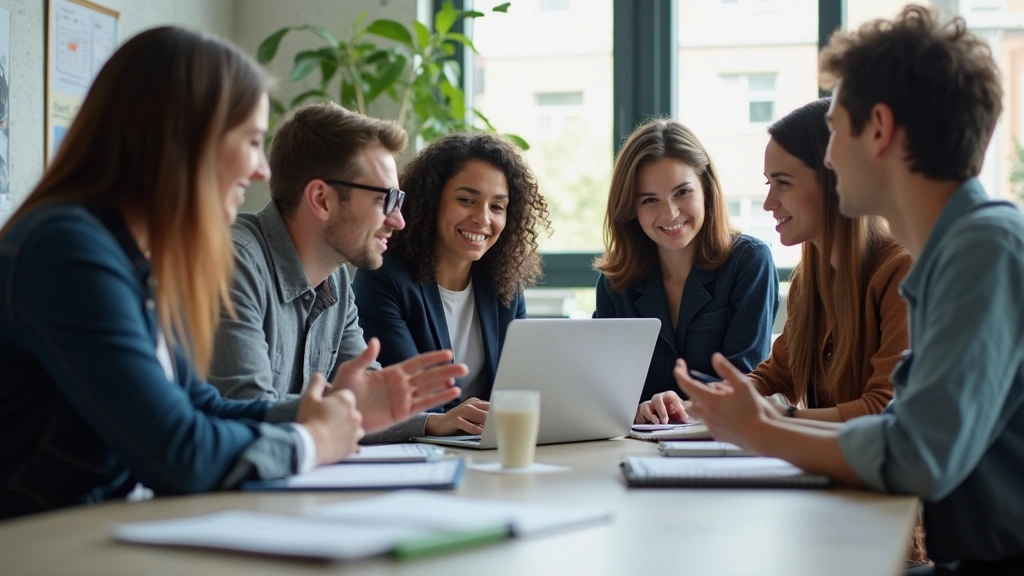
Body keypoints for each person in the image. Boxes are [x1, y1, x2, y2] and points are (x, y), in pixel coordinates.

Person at [0, 27, 459, 520]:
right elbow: (179, 452)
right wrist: (309, 440)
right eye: (252, 141)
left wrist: (330, 411)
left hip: (102, 533)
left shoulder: (135, 256)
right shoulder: (68, 252)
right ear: (185, 140)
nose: (263, 170)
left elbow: (200, 407)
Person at [675, 7, 1024, 574]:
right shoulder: (958, 250)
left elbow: (917, 453)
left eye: (835, 130)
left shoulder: (985, 248)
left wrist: (765, 431)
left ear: (880, 130)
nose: (831, 158)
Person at [637, 99, 911, 426]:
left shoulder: (902, 271)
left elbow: (886, 409)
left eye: (783, 182)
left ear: (835, 179)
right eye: (769, 184)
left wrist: (782, 418)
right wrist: (688, 407)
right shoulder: (809, 282)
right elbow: (773, 378)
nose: (768, 202)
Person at [207, 102, 464, 440]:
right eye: (384, 200)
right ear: (322, 199)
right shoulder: (234, 264)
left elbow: (364, 403)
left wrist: (431, 422)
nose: (398, 220)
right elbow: (249, 418)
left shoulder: (336, 280)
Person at [353, 132, 551, 437]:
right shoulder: (384, 276)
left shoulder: (504, 287)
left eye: (497, 207)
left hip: (484, 450)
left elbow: (518, 388)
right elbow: (405, 400)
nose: (482, 218)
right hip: (420, 452)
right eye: (466, 200)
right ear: (432, 202)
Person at [593, 119, 779, 419]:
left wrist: (675, 404)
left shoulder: (749, 262)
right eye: (650, 200)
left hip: (720, 440)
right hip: (637, 442)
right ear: (631, 208)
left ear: (705, 188)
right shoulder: (616, 282)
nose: (670, 213)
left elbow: (745, 380)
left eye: (682, 192)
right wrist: (635, 409)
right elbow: (605, 387)